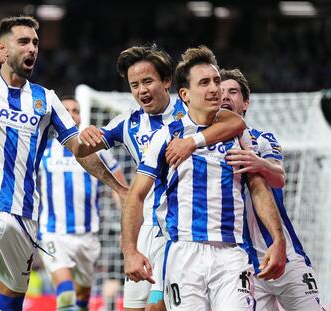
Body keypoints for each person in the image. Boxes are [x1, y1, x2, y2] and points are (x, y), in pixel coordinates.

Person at [0, 16, 125, 311]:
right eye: (24, 42)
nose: (32, 49)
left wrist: (118, 185)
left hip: (25, 217)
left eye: (36, 43)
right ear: (2, 48)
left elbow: (80, 150)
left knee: (10, 303)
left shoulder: (46, 99)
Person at [78, 44, 245, 311]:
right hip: (146, 227)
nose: (141, 90)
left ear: (167, 82)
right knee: (134, 307)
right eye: (134, 85)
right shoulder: (127, 123)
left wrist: (192, 141)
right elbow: (81, 152)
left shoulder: (192, 107)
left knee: (159, 306)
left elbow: (235, 122)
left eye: (147, 81)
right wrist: (117, 185)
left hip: (180, 230)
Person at [121, 45, 286, 310]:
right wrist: (130, 252)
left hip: (231, 253)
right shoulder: (165, 137)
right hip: (184, 253)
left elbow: (258, 188)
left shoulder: (238, 134)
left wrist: (278, 240)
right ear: (185, 94)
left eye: (217, 81)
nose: (215, 89)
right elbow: (136, 195)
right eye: (205, 83)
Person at [220, 68, 324, 310]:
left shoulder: (262, 139)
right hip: (244, 265)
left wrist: (259, 164)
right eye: (221, 92)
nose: (225, 96)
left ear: (245, 102)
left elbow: (279, 177)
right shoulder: (207, 146)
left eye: (233, 92)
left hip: (285, 257)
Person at [38, 96, 128, 311]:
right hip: (53, 233)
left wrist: (127, 229)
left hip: (88, 236)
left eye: (75, 110)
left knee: (82, 297)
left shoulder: (97, 151)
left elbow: (121, 190)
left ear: (80, 116)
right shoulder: (43, 151)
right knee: (66, 294)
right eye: (65, 109)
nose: (70, 114)